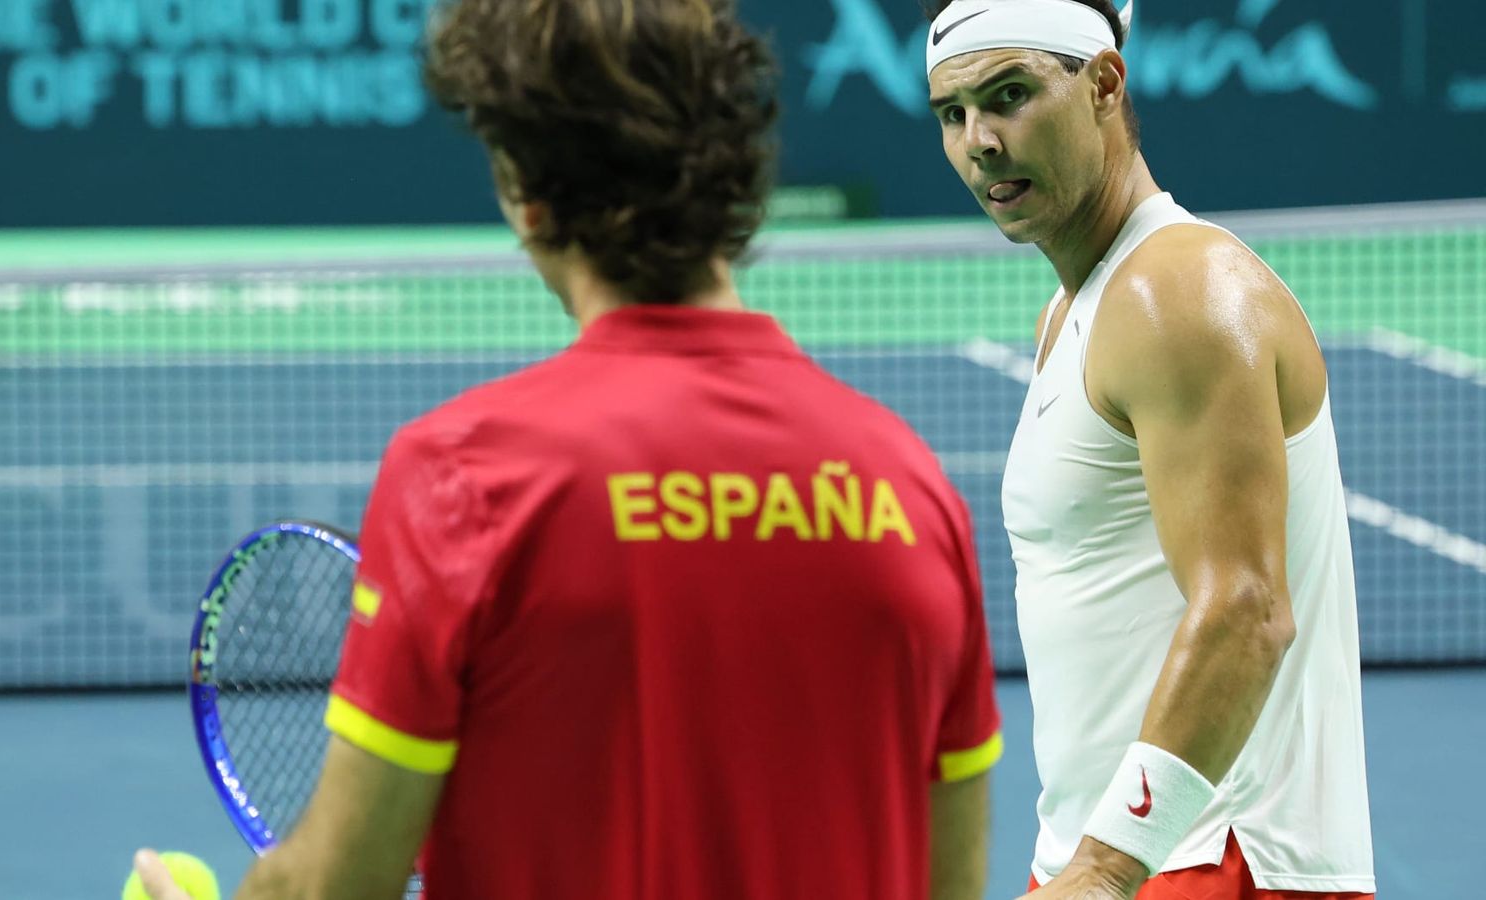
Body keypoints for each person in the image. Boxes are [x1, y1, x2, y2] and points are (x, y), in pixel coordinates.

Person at [134, 1, 1004, 898]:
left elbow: (336, 886)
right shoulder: (911, 487)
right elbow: (951, 883)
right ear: (734, 169)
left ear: (526, 195)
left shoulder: (463, 480)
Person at [921, 0, 1375, 898]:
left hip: (1213, 858)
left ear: (1103, 84)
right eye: (953, 113)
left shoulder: (1177, 290)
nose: (980, 141)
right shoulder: (1074, 310)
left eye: (1009, 95)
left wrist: (1106, 865)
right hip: (1122, 853)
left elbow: (1246, 610)